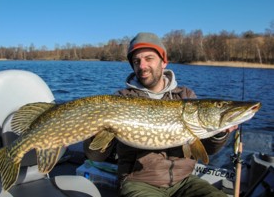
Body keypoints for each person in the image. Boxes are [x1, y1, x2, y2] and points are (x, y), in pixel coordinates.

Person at [84, 32, 237, 197]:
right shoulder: (122, 99)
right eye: (136, 61)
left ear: (164, 62)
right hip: (138, 183)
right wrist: (93, 132)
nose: (142, 66)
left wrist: (220, 133)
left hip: (184, 181)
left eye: (149, 58)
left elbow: (207, 148)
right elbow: (95, 156)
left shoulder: (185, 96)